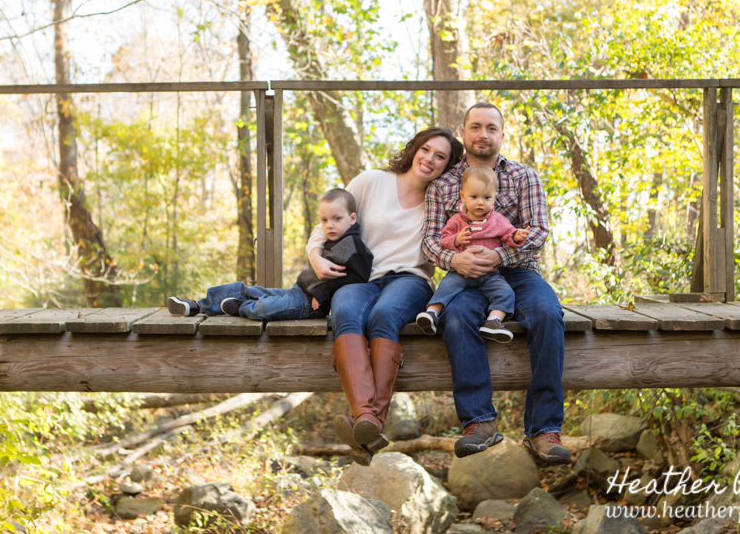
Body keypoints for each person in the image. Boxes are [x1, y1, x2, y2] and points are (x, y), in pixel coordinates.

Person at [422, 102, 571, 465]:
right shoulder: (443, 184)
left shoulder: (524, 177)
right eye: (475, 127)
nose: (483, 134)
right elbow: (429, 240)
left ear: (502, 135)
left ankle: (543, 429)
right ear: (464, 132)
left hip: (519, 273)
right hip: (466, 276)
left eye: (491, 128)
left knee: (547, 313)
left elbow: (537, 232)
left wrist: (501, 257)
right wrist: (453, 259)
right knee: (456, 319)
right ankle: (480, 422)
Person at [308, 127, 464, 465]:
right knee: (345, 312)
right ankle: (369, 422)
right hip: (360, 276)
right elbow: (327, 221)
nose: (430, 159)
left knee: (384, 315)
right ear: (414, 150)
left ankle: (366, 419)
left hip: (410, 279)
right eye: (426, 150)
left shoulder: (443, 201)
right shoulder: (370, 181)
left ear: (448, 166)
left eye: (441, 156)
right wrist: (315, 256)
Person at [166, 188, 372, 321]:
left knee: (264, 308)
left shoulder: (353, 245)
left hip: (310, 306)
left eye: (337, 218)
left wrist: (323, 293)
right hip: (299, 291)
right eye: (324, 220)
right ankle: (197, 305)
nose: (329, 225)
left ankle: (240, 307)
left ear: (352, 218)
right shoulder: (335, 239)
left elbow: (357, 278)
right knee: (249, 289)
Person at [415, 165, 531, 343]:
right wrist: (456, 240)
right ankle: (431, 313)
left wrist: (517, 235)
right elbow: (443, 239)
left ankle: (493, 321)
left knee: (506, 293)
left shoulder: (498, 220)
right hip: (460, 272)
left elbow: (508, 235)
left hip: (489, 273)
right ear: (463, 196)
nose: (480, 202)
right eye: (474, 197)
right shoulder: (457, 221)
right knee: (446, 287)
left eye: (486, 197)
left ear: (494, 199)